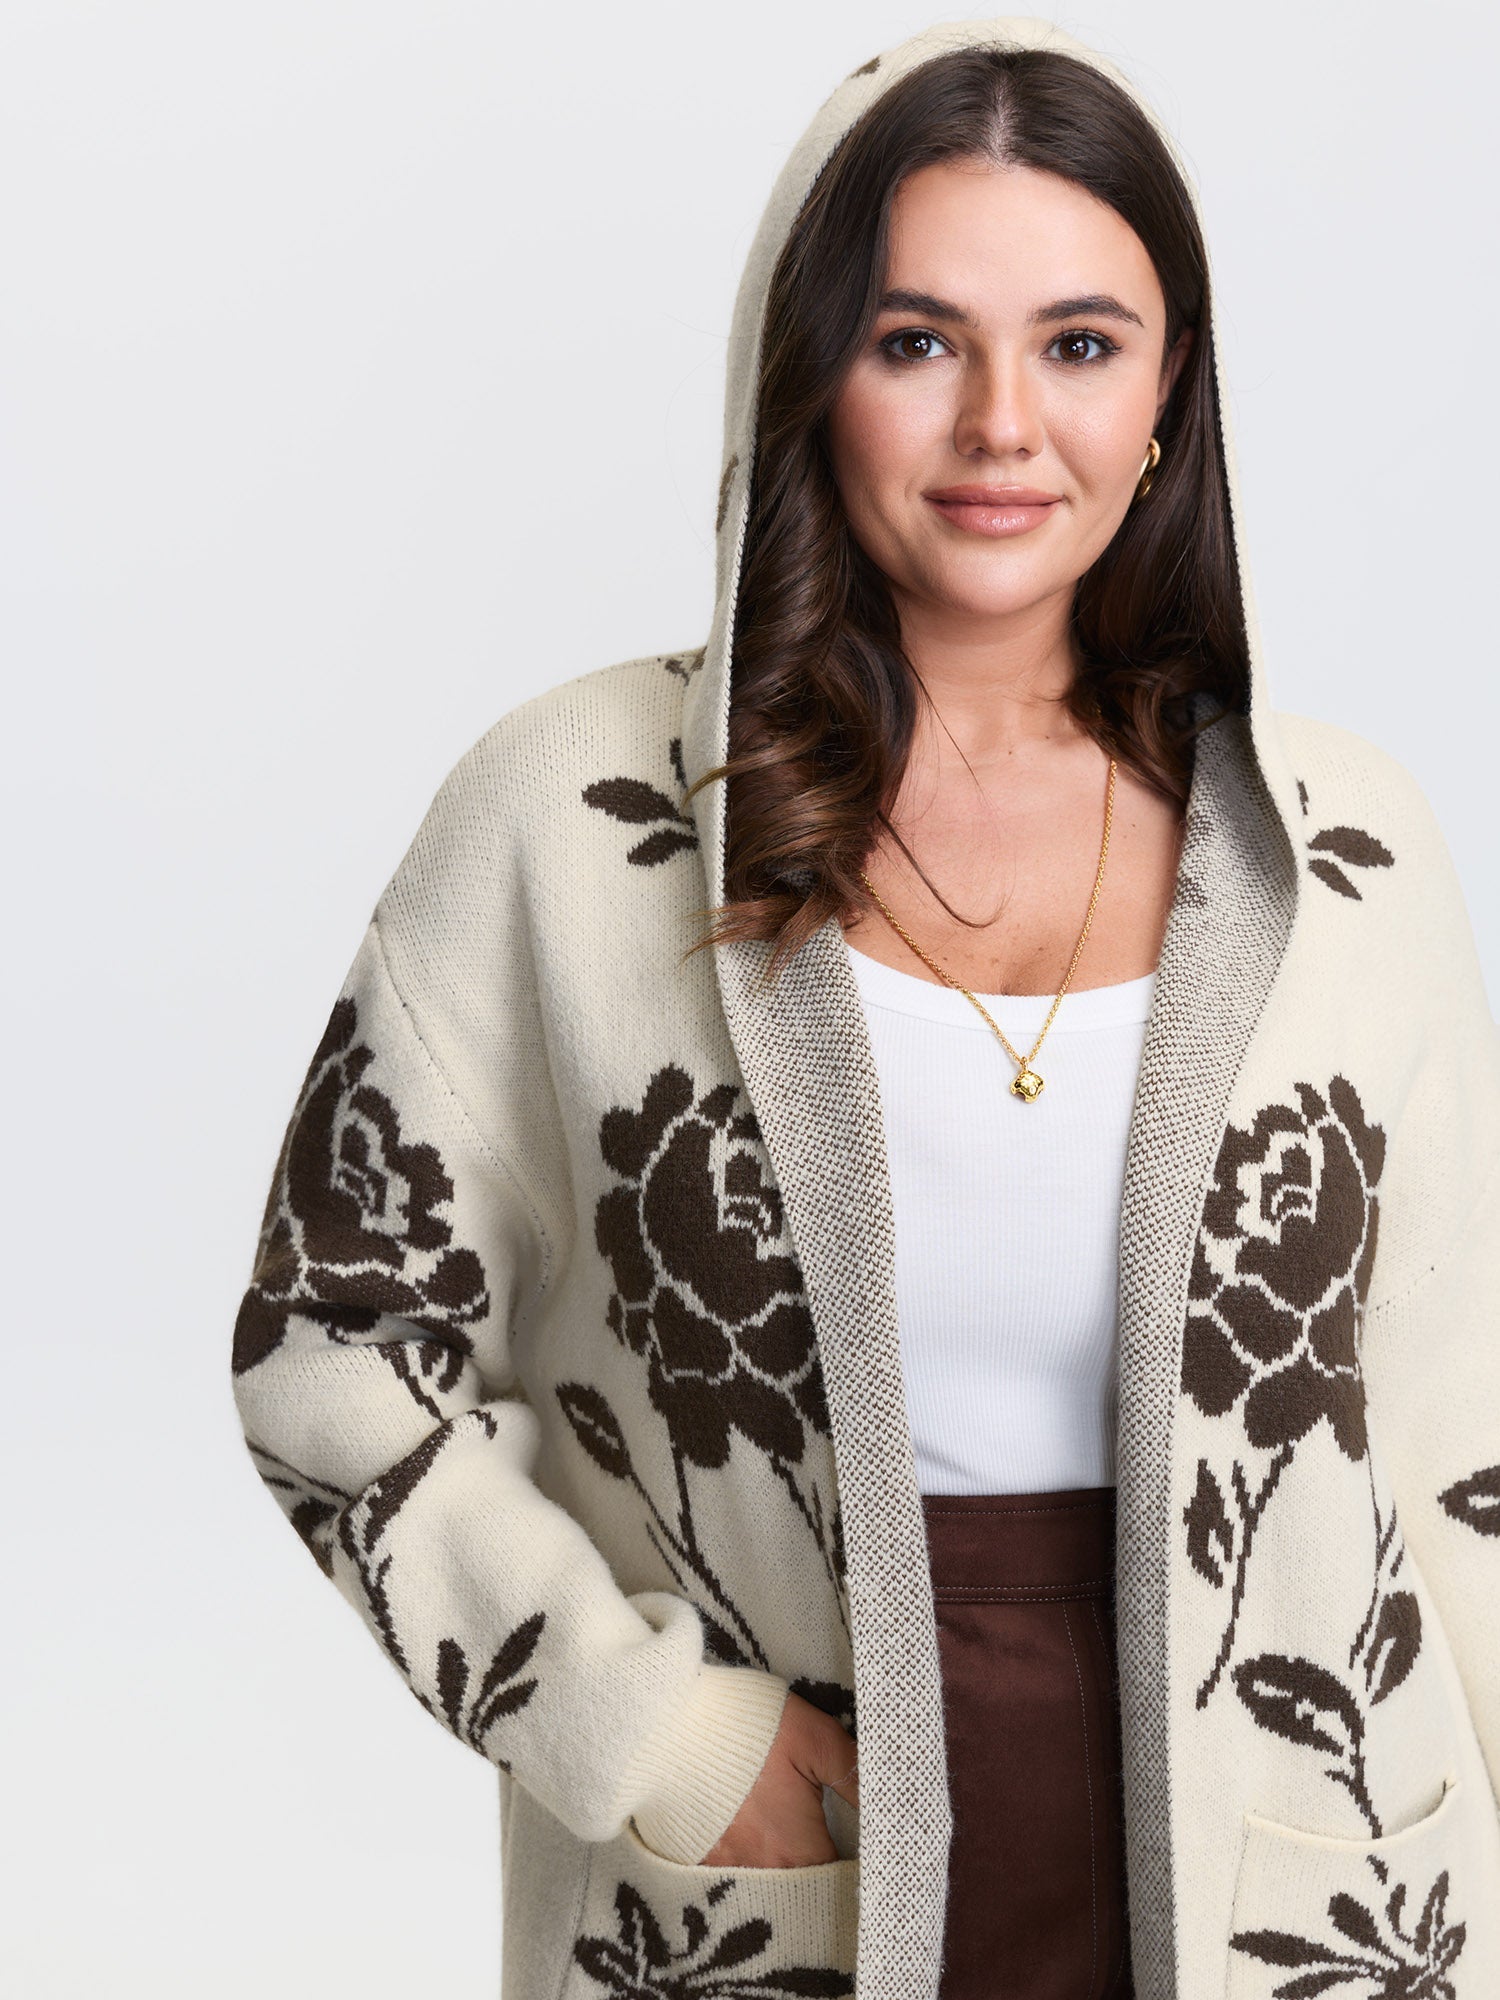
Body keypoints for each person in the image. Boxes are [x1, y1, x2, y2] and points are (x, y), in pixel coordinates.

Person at [229, 17, 1500, 2000]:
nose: (1005, 423)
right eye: (919, 341)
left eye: (1081, 344)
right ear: (812, 369)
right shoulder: (576, 820)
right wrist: (656, 1734)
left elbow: (1460, 1430)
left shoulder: (1350, 852)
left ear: (1171, 394)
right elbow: (331, 1347)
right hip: (786, 1868)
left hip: (1293, 1864)